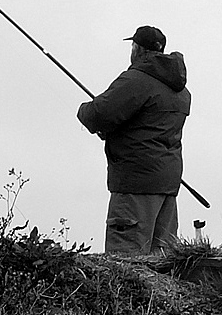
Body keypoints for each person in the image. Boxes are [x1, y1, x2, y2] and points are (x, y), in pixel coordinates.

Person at [77, 25, 191, 254]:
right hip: (167, 183)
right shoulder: (180, 90)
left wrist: (83, 110)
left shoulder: (136, 80)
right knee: (163, 262)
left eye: (132, 46)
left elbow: (97, 114)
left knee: (127, 262)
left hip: (135, 185)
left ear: (138, 49)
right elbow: (147, 125)